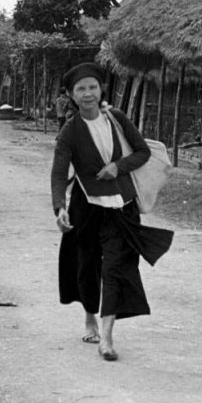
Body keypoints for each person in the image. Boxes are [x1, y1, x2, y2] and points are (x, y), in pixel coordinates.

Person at [50, 62, 173, 362]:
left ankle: (107, 337)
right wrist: (59, 207)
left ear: (101, 89)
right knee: (87, 264)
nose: (88, 93)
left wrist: (118, 166)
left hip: (122, 207)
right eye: (81, 89)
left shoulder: (116, 119)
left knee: (116, 267)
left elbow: (143, 151)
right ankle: (89, 315)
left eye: (92, 87)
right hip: (87, 208)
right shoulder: (70, 131)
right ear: (71, 95)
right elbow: (58, 172)